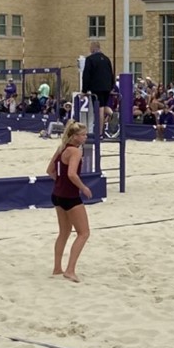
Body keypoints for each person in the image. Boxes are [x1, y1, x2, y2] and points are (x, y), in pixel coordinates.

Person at [47, 120, 92, 283]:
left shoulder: (61, 148)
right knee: (84, 233)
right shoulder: (75, 151)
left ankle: (57, 268)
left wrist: (60, 182)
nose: (85, 137)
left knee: (64, 233)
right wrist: (83, 187)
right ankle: (70, 270)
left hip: (57, 195)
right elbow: (72, 174)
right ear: (74, 137)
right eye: (83, 135)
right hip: (70, 197)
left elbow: (49, 170)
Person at [81, 40, 116, 137]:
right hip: (107, 87)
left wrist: (84, 90)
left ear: (92, 48)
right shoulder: (106, 59)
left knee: (99, 109)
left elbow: (86, 75)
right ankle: (112, 114)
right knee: (103, 106)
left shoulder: (90, 59)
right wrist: (112, 86)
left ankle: (99, 133)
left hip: (97, 87)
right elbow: (111, 73)